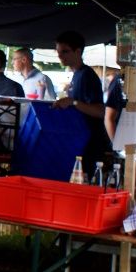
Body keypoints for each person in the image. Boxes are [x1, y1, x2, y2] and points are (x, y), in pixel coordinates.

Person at [52, 30, 109, 172]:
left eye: (65, 51)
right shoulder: (77, 75)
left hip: (89, 144)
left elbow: (100, 111)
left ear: (78, 51)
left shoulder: (87, 76)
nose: (60, 56)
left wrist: (73, 102)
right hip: (79, 140)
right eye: (58, 52)